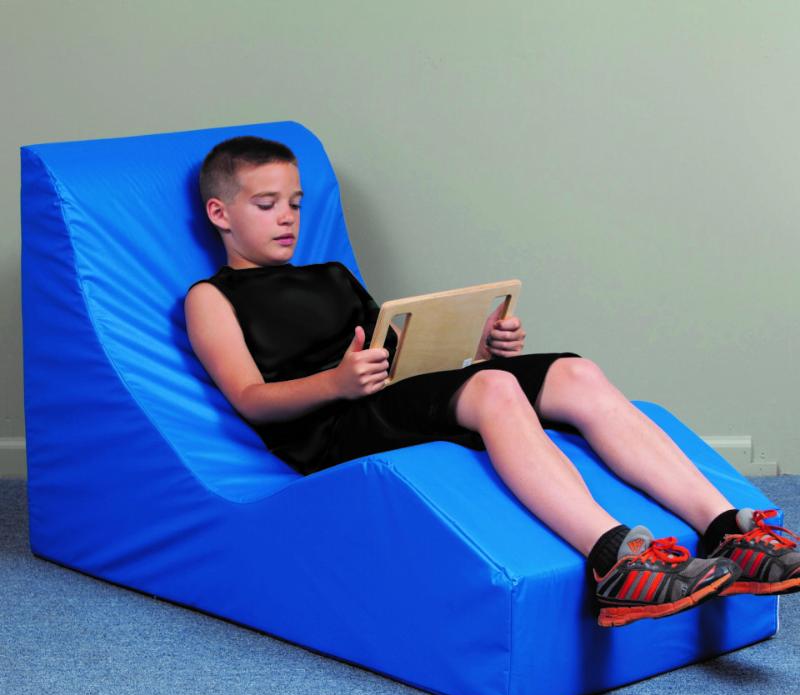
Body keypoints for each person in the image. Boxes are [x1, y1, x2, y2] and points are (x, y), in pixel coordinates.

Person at [184, 136, 800, 628]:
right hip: (327, 428)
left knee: (573, 373)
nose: (286, 217)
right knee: (495, 392)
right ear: (220, 213)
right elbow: (249, 399)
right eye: (266, 204)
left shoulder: (332, 275)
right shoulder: (211, 298)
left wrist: (479, 351)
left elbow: (400, 361)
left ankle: (726, 529)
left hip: (378, 401)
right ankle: (615, 559)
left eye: (294, 202)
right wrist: (335, 383)